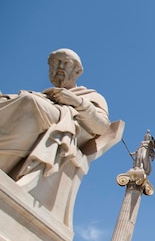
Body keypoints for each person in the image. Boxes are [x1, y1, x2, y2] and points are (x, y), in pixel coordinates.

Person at [0, 48, 111, 182]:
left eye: (66, 63)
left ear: (77, 71)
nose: (60, 67)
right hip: (42, 117)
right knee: (18, 100)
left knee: (30, 102)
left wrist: (76, 102)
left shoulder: (90, 96)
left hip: (63, 126)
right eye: (56, 63)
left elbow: (102, 127)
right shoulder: (44, 95)